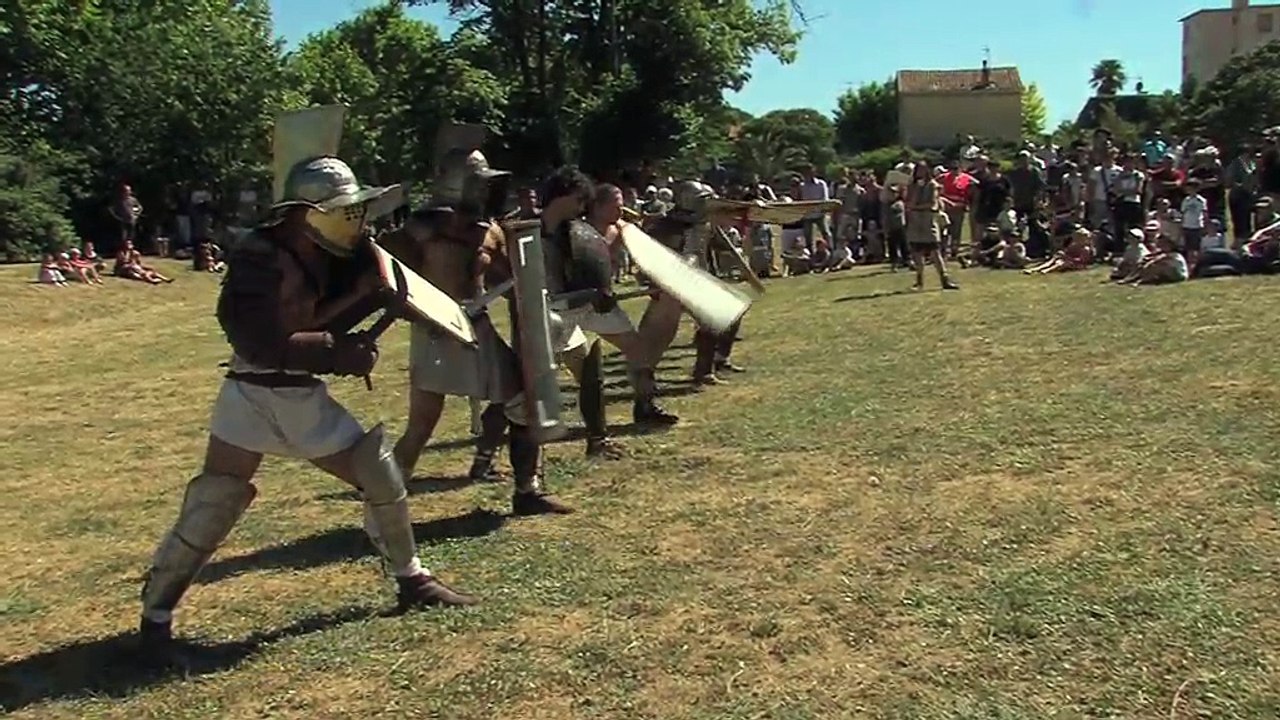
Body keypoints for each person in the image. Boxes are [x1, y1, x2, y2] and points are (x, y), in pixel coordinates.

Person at [136, 107, 476, 666]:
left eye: (356, 208)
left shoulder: (348, 250)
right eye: (344, 210)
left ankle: (412, 580)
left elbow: (380, 289)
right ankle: (154, 622)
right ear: (306, 213)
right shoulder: (257, 259)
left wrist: (391, 304)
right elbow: (262, 339)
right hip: (256, 388)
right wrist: (340, 351)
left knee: (378, 474)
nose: (355, 218)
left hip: (287, 392)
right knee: (216, 501)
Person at [382, 144, 574, 514]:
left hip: (474, 327)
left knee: (520, 400)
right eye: (478, 183)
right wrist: (414, 311)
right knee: (422, 424)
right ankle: (383, 501)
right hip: (437, 329)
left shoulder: (490, 231)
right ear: (460, 185)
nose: (486, 190)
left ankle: (527, 491)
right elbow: (389, 280)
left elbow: (516, 281)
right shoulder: (420, 229)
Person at [904, 161, 959, 291]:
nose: (920, 173)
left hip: (928, 220)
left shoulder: (932, 185)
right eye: (918, 170)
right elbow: (908, 201)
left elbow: (932, 204)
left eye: (923, 170)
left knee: (935, 252)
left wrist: (915, 207)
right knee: (917, 252)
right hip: (915, 221)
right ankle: (919, 281)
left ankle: (945, 279)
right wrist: (915, 192)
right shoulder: (912, 185)